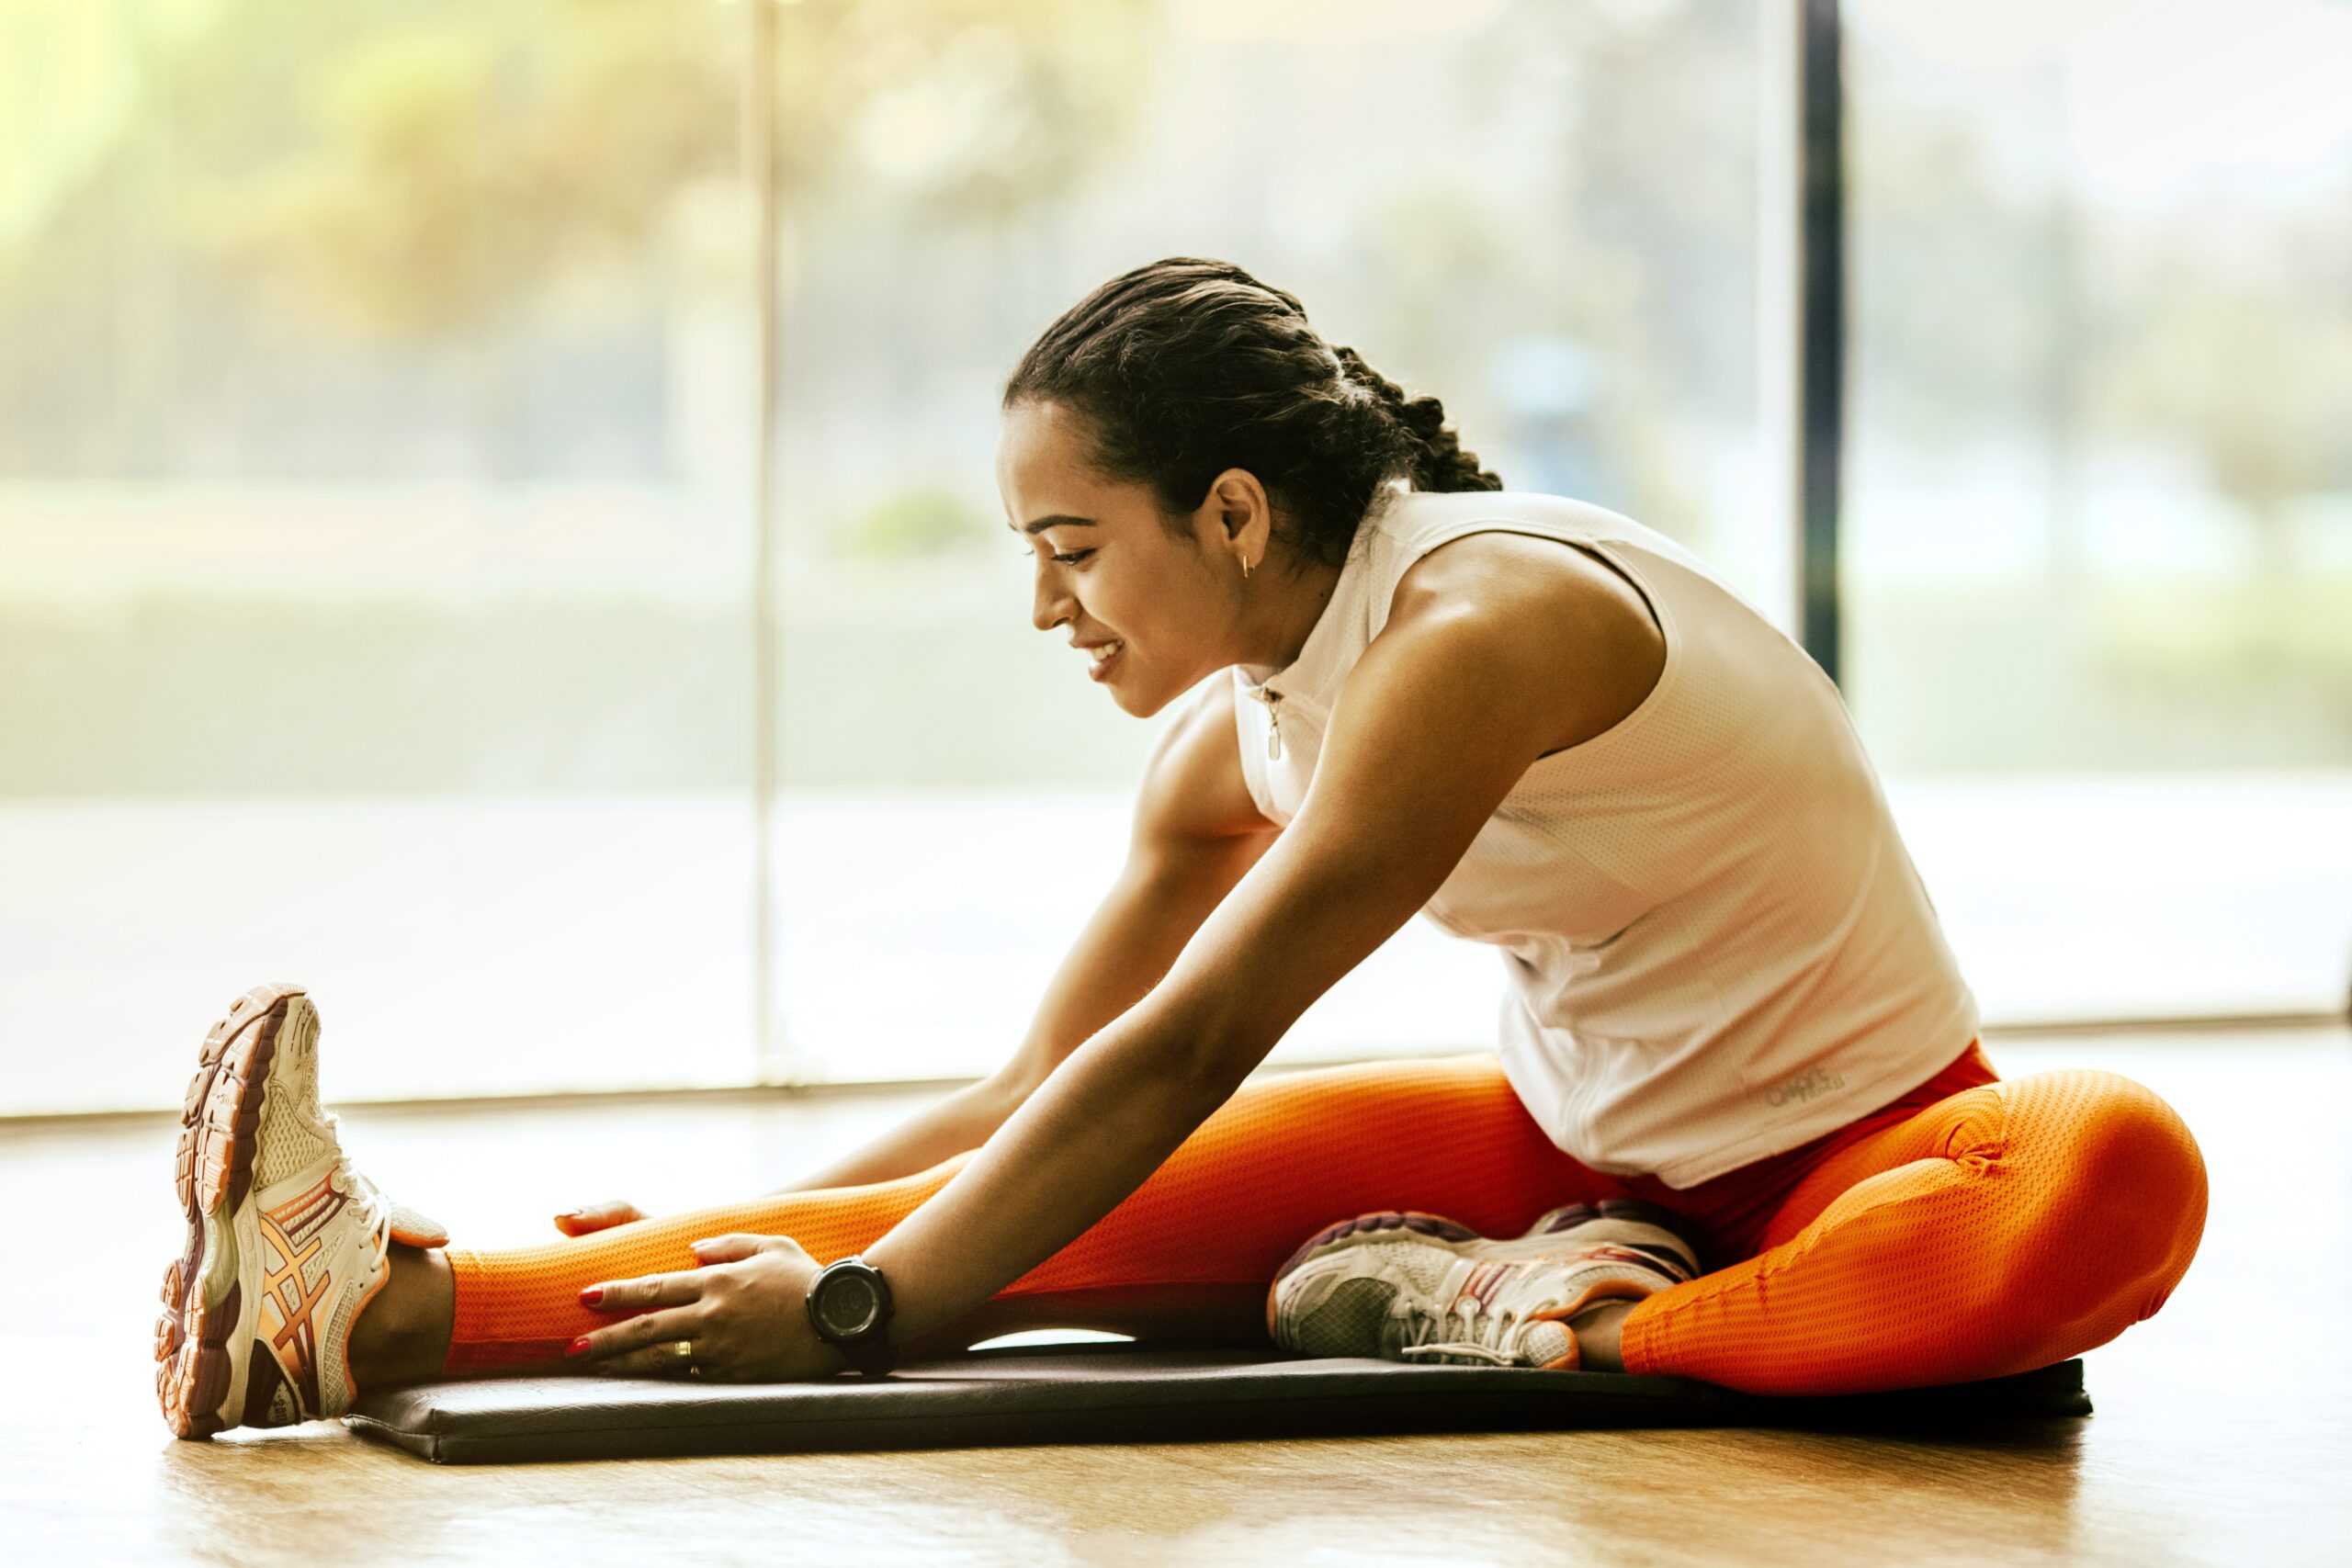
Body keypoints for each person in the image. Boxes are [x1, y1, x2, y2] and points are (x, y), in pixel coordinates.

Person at [154, 257, 2207, 1439]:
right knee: (978, 1201)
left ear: (1229, 511)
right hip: (1569, 1156)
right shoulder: (1235, 734)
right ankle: (347, 1305)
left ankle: (1555, 1319)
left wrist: (876, 1308)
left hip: (1868, 1154)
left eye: (1072, 546)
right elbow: (1037, 1097)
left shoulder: (1478, 633)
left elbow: (1204, 1030)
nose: (1048, 605)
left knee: (2117, 1167)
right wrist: (756, 1220)